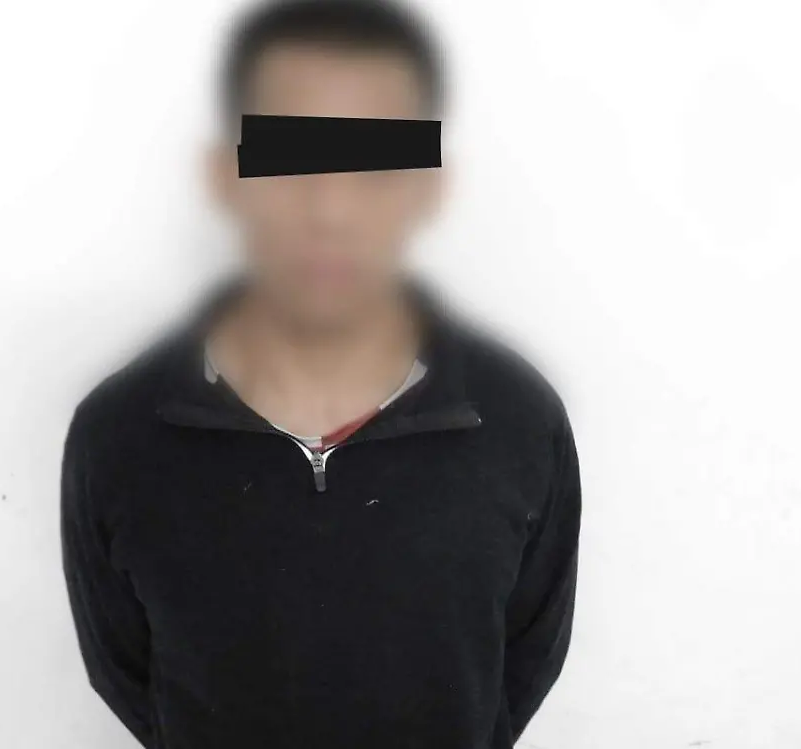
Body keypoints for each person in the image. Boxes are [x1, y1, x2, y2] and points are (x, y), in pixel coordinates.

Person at [60, 1, 581, 747]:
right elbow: (128, 675)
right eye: (290, 158)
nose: (330, 209)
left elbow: (519, 665)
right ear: (226, 176)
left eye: (375, 167)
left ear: (427, 187)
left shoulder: (519, 421)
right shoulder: (119, 434)